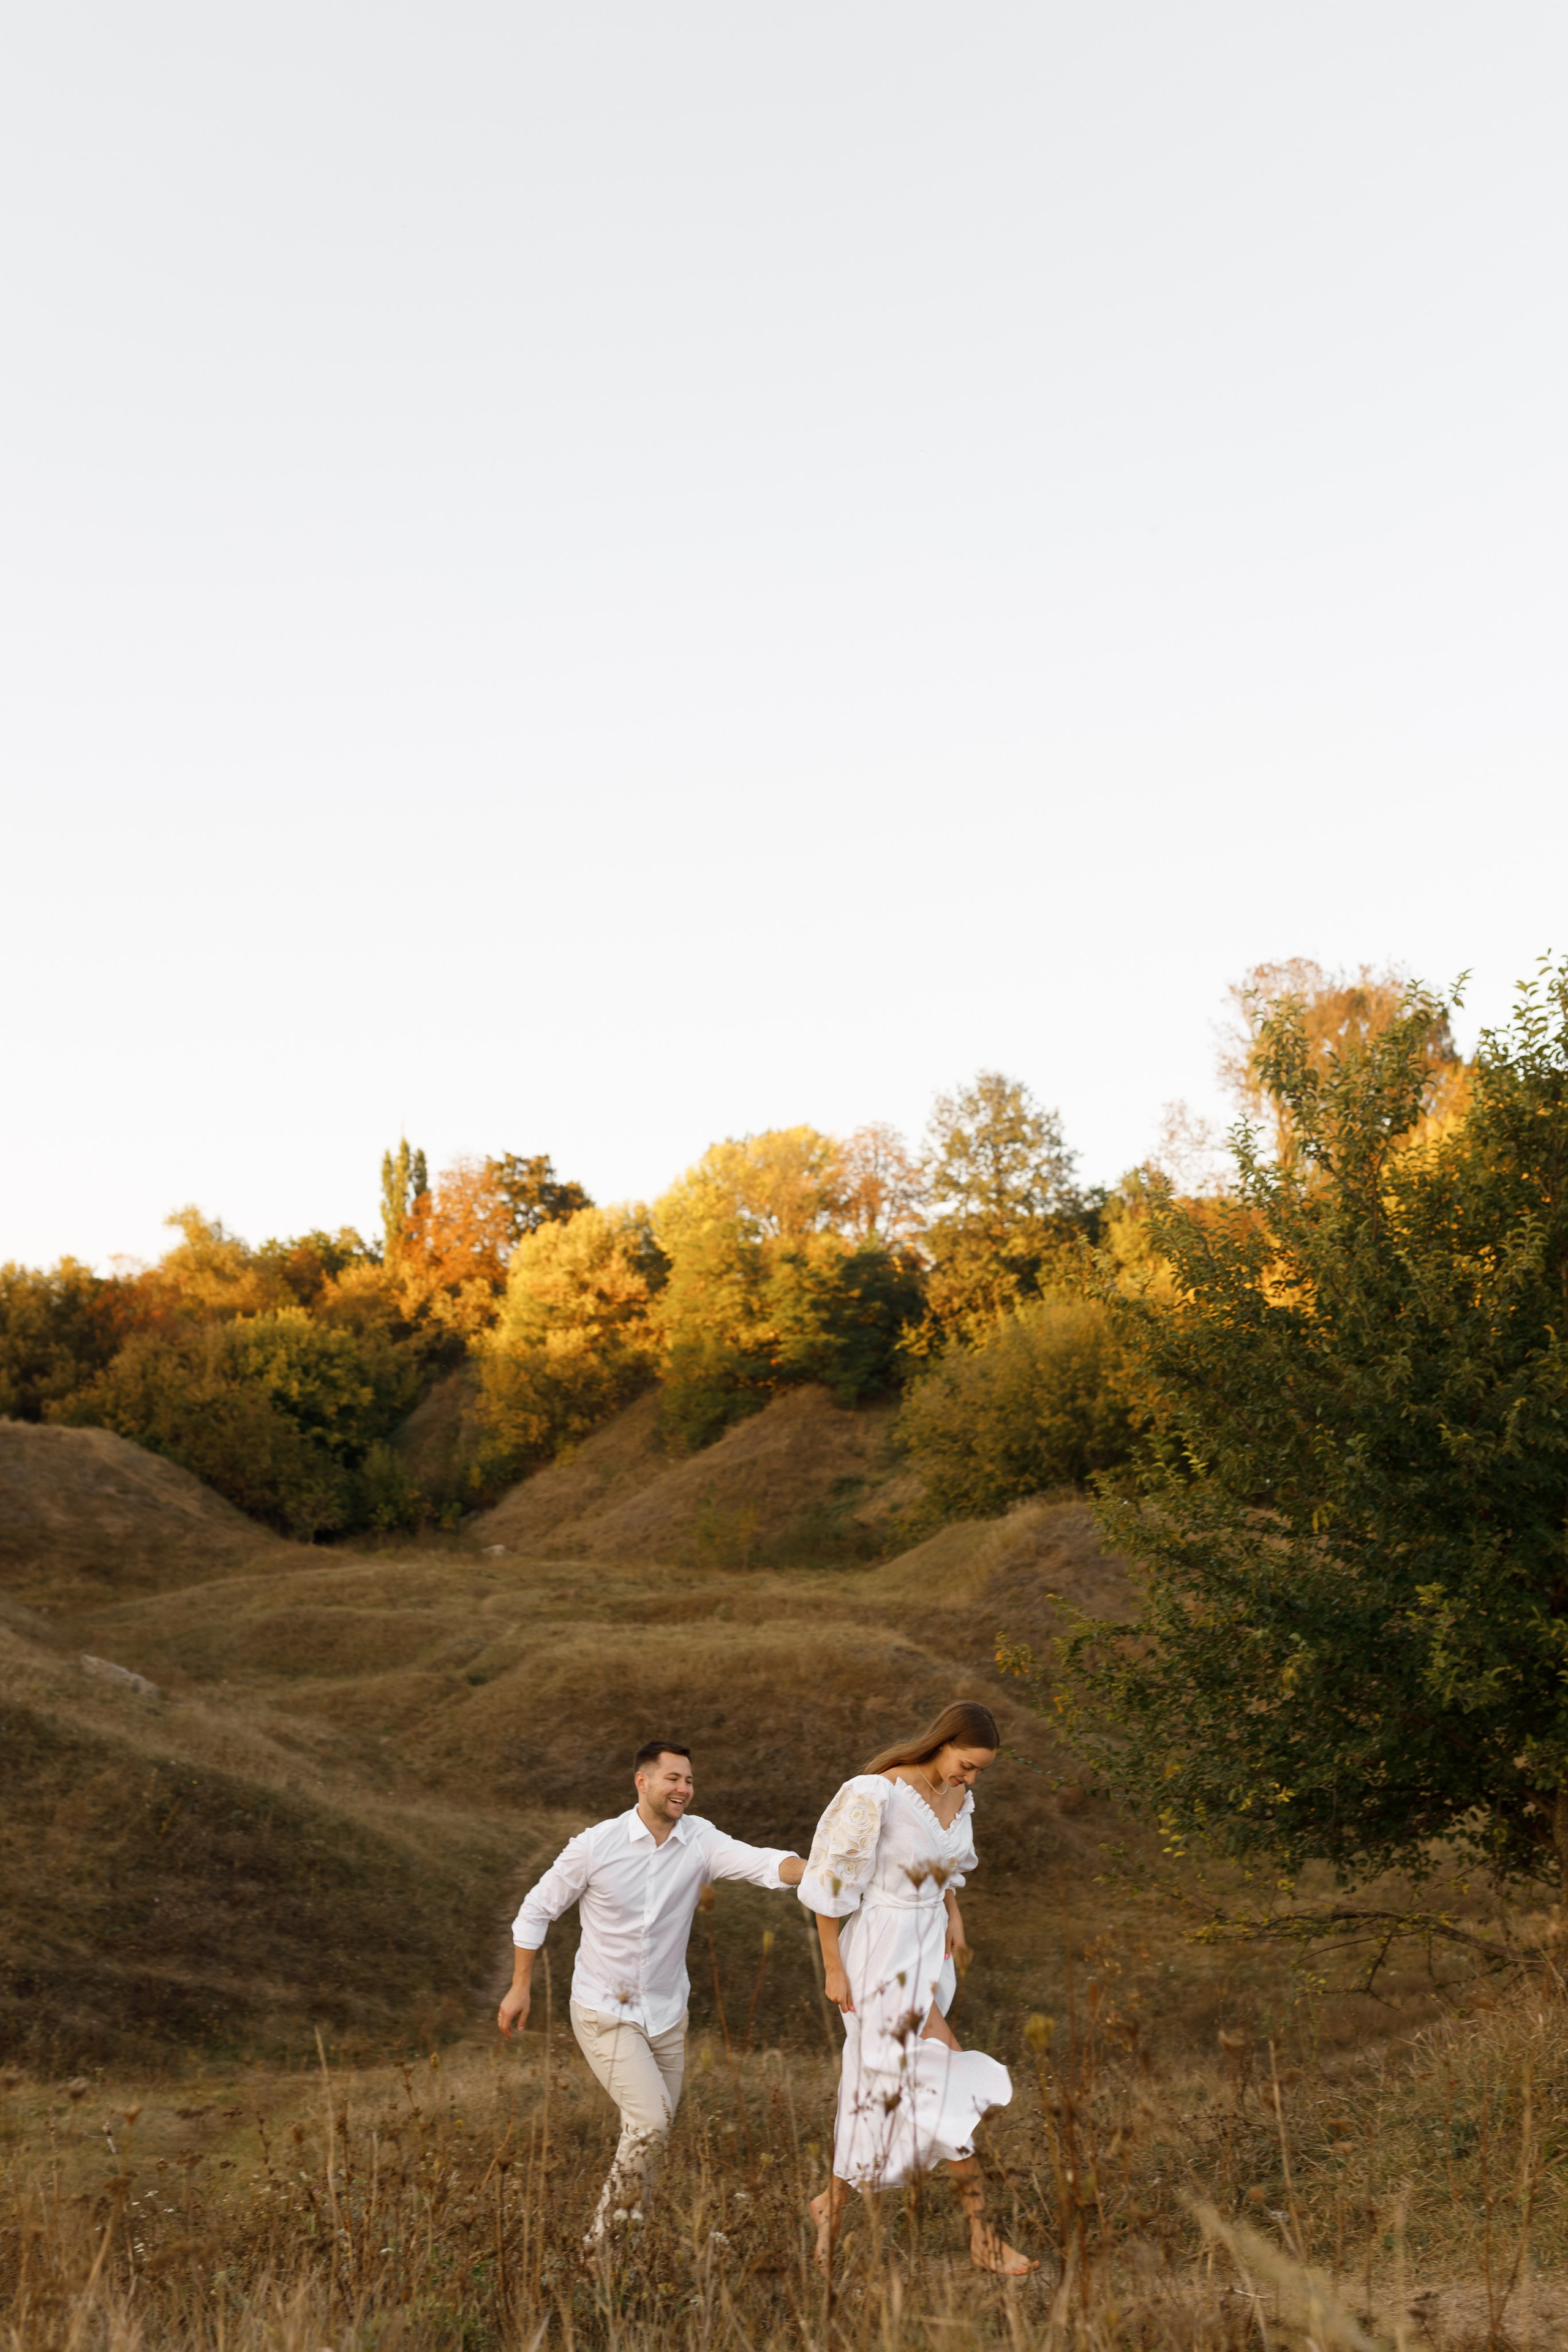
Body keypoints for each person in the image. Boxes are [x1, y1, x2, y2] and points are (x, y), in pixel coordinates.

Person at [499, 1739, 804, 2248]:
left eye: (689, 1780)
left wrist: (824, 1869)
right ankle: (599, 2248)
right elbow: (535, 1910)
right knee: (652, 2121)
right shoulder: (596, 1846)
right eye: (673, 1779)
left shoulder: (700, 1840)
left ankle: (630, 2236)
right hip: (604, 2010)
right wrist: (520, 1985)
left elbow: (764, 1865)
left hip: (666, 2013)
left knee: (648, 2133)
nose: (684, 1789)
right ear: (642, 1782)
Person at [801, 1699, 1037, 2277]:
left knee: (870, 2082)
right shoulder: (876, 1792)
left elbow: (946, 1867)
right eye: (967, 1763)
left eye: (980, 1770)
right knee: (946, 2079)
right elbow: (829, 1881)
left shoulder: (960, 1797)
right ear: (943, 1740)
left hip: (929, 1948)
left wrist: (952, 1909)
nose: (971, 1777)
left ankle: (830, 2205)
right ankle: (983, 2238)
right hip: (880, 1950)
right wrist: (834, 1966)